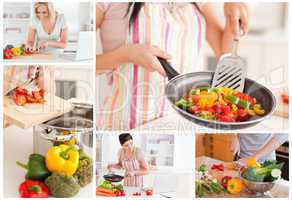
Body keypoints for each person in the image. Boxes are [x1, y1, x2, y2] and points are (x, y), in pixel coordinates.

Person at [96, 2, 249, 130]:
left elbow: (223, 51)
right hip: (126, 123)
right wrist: (126, 54)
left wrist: (232, 17)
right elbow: (87, 64)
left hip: (187, 120)